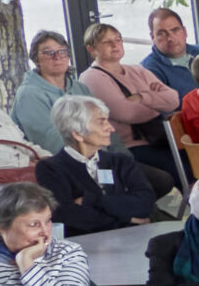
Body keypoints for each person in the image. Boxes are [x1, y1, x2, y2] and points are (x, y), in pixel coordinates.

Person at [77, 20, 183, 185]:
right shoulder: (91, 77)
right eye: (107, 42)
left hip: (160, 138)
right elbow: (126, 113)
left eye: (118, 40)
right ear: (92, 49)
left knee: (198, 163)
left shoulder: (137, 69)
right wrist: (156, 102)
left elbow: (173, 99)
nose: (115, 45)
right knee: (180, 172)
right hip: (129, 147)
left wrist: (142, 97)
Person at [37, 98, 157, 233]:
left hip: (131, 237)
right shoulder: (50, 168)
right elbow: (69, 216)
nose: (111, 128)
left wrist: (92, 200)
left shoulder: (120, 161)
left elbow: (145, 203)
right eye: (101, 122)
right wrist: (127, 220)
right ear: (77, 133)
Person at [13, 30, 92, 154]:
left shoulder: (80, 88)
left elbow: (103, 126)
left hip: (93, 156)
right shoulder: (29, 94)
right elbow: (51, 143)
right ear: (36, 59)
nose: (57, 57)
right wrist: (95, 148)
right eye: (48, 52)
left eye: (62, 51)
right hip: (57, 161)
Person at [140, 6, 199, 98]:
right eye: (161, 33)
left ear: (184, 32)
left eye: (175, 30)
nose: (170, 38)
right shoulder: (148, 70)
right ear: (153, 37)